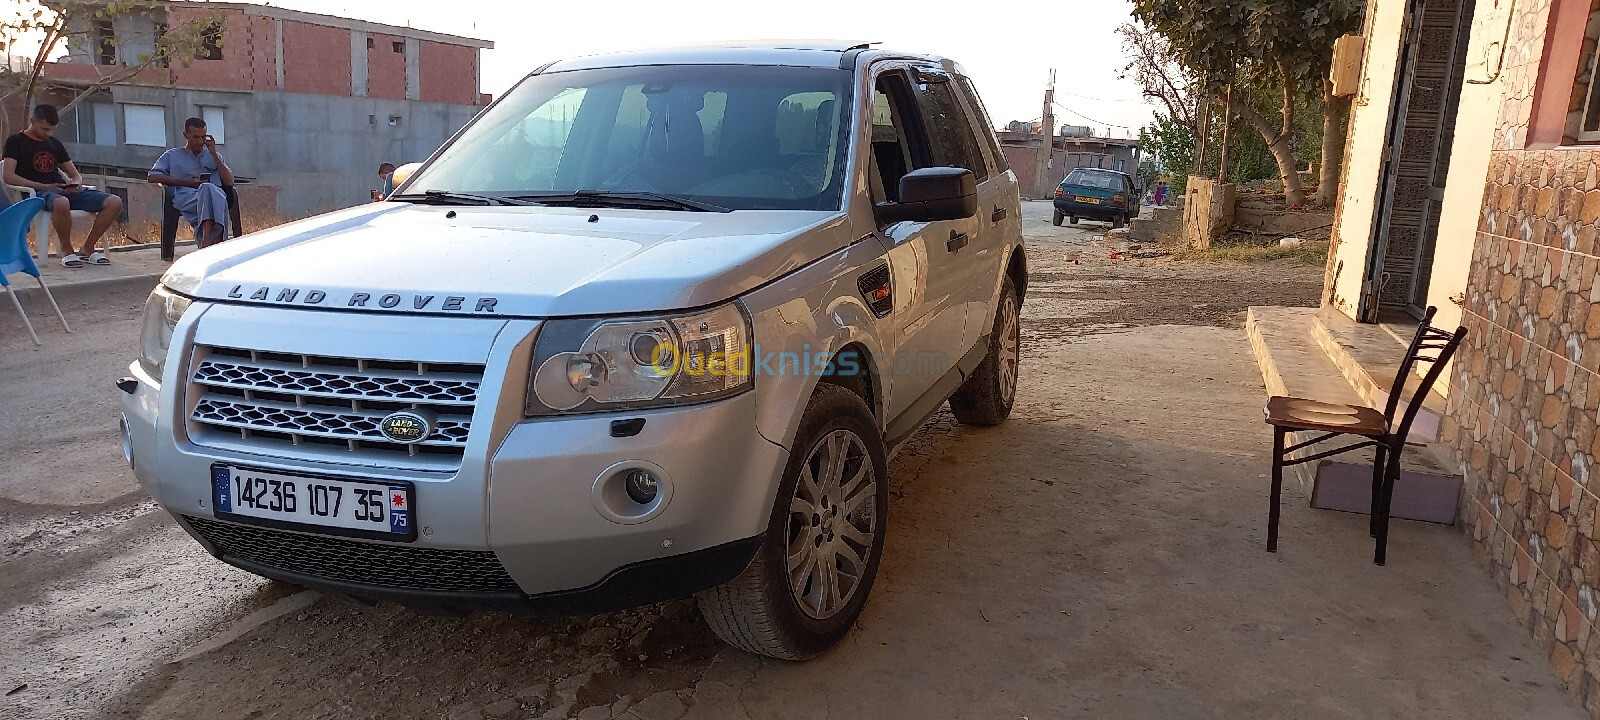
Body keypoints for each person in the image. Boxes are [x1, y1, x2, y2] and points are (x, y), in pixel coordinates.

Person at [2, 104, 125, 268]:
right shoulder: (15, 142)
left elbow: (74, 174)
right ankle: (67, 251)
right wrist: (44, 185)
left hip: (62, 190)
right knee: (61, 202)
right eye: (44, 129)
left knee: (114, 202)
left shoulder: (54, 143)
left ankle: (88, 248)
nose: (48, 133)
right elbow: (8, 176)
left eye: (52, 130)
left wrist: (75, 183)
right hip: (37, 194)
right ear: (33, 121)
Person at [148, 117, 233, 248]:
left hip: (216, 196)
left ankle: (206, 239)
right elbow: (152, 177)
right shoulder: (172, 155)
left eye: (203, 137)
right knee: (209, 193)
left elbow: (229, 182)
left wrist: (214, 154)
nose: (200, 141)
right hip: (187, 196)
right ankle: (212, 240)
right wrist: (185, 182)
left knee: (208, 189)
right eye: (195, 137)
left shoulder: (214, 156)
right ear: (185, 135)